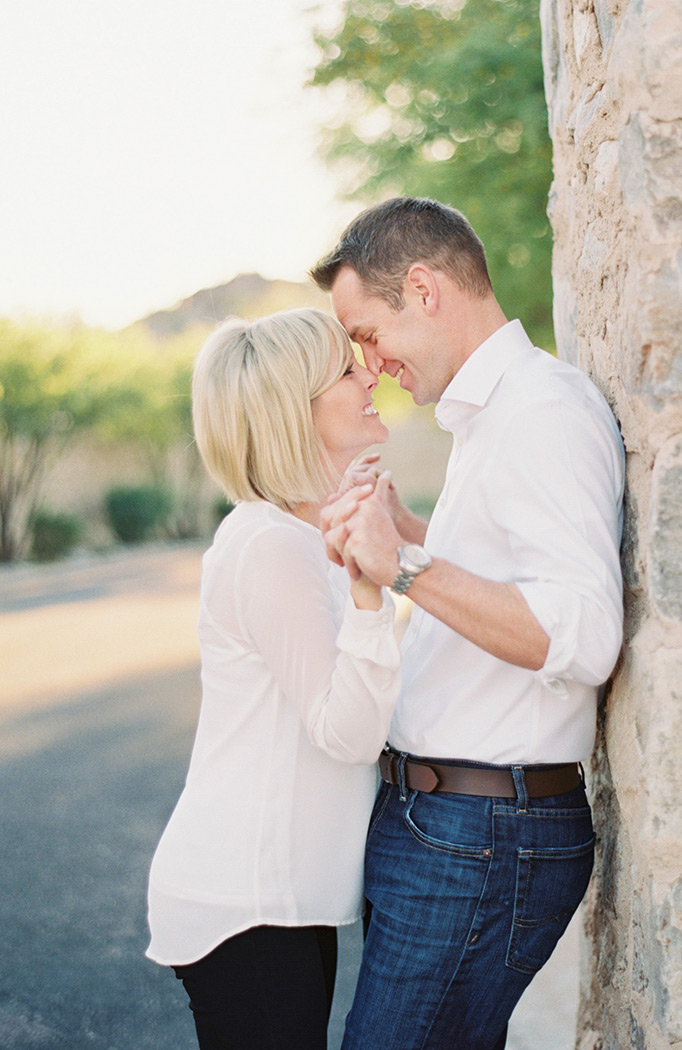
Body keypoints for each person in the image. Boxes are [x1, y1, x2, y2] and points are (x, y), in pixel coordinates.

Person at [310, 197, 626, 1050]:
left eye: (370, 334)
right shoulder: (493, 419)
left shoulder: (541, 413)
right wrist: (412, 533)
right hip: (451, 831)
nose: (370, 368)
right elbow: (508, 585)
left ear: (423, 288)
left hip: (482, 838)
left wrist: (405, 565)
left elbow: (584, 634)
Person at [145, 308, 401, 1050]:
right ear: (297, 410)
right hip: (246, 901)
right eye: (348, 371)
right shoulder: (269, 545)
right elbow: (348, 732)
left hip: (280, 901)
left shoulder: (295, 535)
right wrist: (368, 592)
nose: (372, 372)